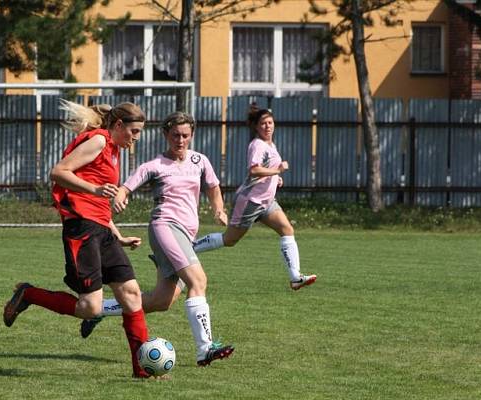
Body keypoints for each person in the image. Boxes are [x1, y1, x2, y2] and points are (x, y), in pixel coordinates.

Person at [2, 99, 154, 379]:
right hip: (81, 229)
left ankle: (142, 368)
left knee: (131, 294)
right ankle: (29, 294)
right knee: (90, 307)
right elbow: (58, 172)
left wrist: (117, 236)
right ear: (118, 125)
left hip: (102, 231)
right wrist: (96, 189)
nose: (137, 137)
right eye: (134, 131)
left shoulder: (114, 149)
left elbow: (99, 201)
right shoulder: (98, 140)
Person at [80, 111, 234, 367]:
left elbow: (213, 187)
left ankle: (100, 310)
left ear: (192, 135)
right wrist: (119, 198)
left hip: (186, 234)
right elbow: (125, 187)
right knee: (199, 280)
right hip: (165, 227)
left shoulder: (200, 160)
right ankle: (205, 349)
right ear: (165, 135)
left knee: (161, 301)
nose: (180, 140)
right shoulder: (154, 166)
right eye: (175, 135)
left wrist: (219, 209)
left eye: (185, 135)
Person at [192, 104, 317, 290]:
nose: (268, 126)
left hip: (267, 202)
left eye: (270, 122)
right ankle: (186, 250)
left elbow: (266, 170)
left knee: (287, 230)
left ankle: (295, 278)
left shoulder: (270, 145)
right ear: (256, 127)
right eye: (263, 123)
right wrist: (277, 170)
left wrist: (276, 178)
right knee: (230, 240)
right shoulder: (257, 145)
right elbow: (254, 170)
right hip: (250, 201)